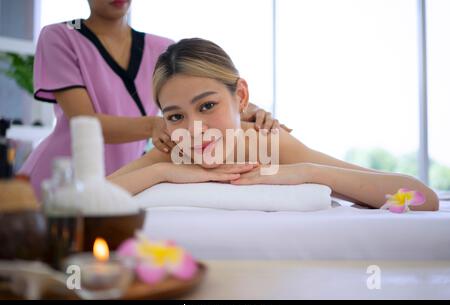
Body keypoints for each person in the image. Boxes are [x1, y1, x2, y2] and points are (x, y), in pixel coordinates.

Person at [107, 38, 439, 211]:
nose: (193, 129)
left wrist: (306, 171)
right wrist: (162, 172)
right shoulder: (171, 153)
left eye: (208, 106)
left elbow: (422, 199)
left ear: (240, 96)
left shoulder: (266, 143)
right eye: (176, 116)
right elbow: (67, 204)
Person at [20, 0, 282, 199]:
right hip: (61, 175)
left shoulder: (161, 47)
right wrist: (153, 126)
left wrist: (248, 109)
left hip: (129, 177)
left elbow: (202, 91)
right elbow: (84, 124)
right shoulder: (61, 35)